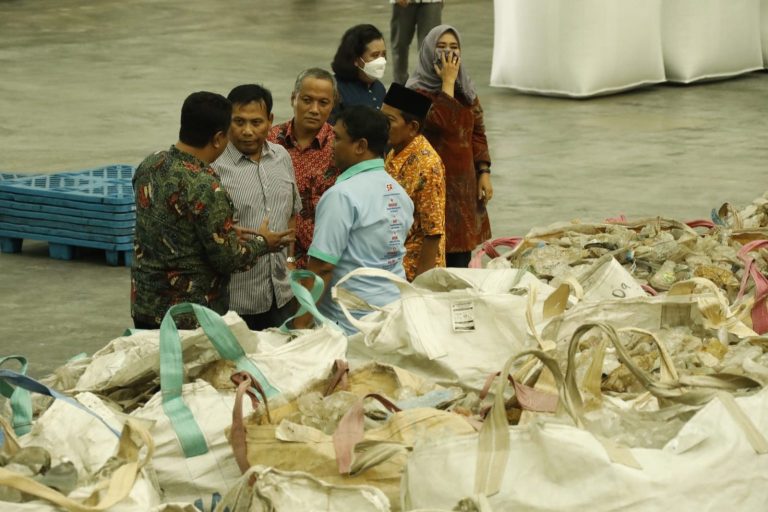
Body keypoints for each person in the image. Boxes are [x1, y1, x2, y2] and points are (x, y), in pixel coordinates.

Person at [131, 91, 293, 329]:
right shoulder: (207, 185)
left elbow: (172, 226)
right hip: (190, 318)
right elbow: (228, 259)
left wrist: (222, 232)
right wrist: (262, 242)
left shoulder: (150, 164)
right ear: (218, 138)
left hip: (145, 306)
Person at [294, 106, 414, 334]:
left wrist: (299, 326)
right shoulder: (399, 193)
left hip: (349, 323)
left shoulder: (341, 196)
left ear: (360, 146)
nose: (331, 146)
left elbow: (322, 267)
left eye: (337, 138)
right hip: (394, 315)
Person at [212, 84, 302, 331]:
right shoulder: (215, 167)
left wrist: (291, 259)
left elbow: (291, 213)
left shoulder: (281, 157)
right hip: (236, 301)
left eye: (256, 122)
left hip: (281, 294)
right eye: (238, 122)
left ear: (270, 121)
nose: (247, 131)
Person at [406, 24, 494, 268]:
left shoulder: (465, 91)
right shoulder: (411, 92)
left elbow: (477, 131)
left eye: (454, 48)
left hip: (462, 188)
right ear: (428, 52)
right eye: (441, 47)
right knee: (430, 255)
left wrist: (484, 171)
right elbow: (443, 123)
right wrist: (446, 85)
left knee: (459, 259)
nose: (448, 54)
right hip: (429, 188)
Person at [268, 68, 339, 268]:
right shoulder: (269, 141)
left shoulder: (341, 148)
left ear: (333, 104)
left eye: (323, 102)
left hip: (322, 262)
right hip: (272, 258)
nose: (314, 109)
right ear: (294, 99)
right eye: (307, 100)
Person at [381, 83, 445, 280]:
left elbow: (433, 233)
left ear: (412, 127)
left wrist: (420, 287)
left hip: (414, 271)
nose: (381, 125)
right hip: (392, 262)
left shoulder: (428, 166)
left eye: (389, 121)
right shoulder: (394, 152)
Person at [330, 24, 387, 123]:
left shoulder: (379, 88)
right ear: (356, 59)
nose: (381, 60)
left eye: (383, 54)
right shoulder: (335, 89)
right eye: (375, 55)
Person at [389, 0, 444, 85]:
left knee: (429, 47)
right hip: (402, 4)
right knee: (400, 45)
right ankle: (399, 87)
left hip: (431, 2)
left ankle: (428, 89)